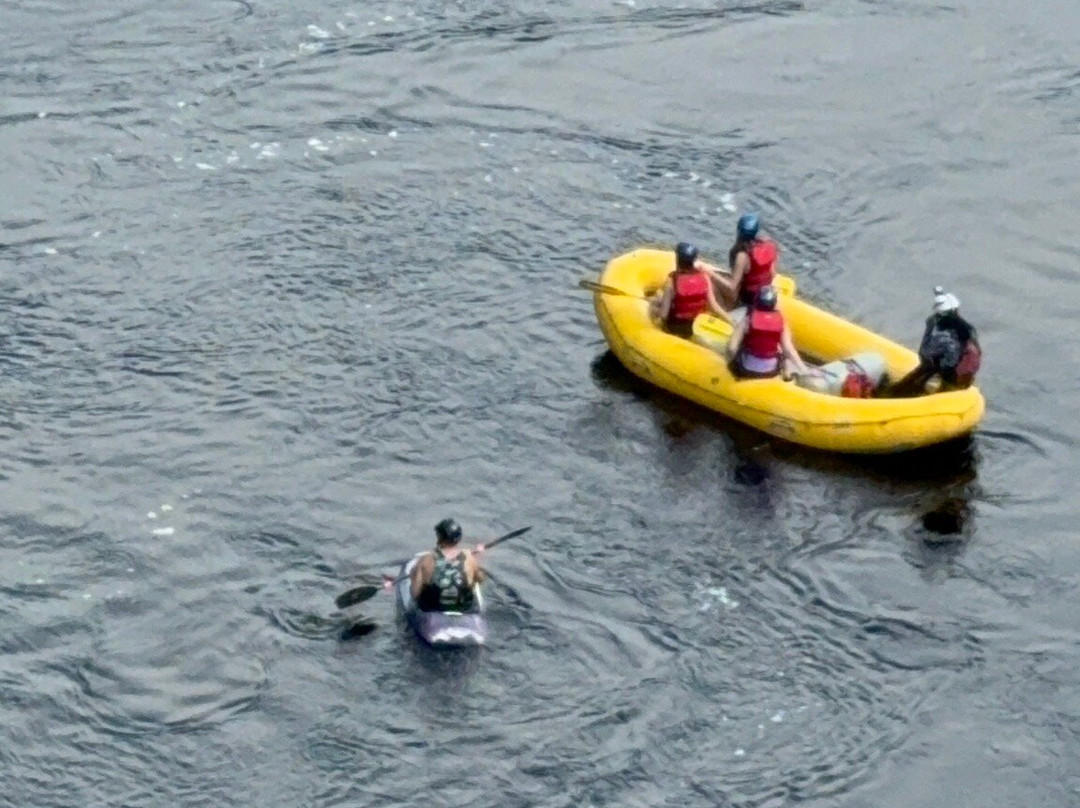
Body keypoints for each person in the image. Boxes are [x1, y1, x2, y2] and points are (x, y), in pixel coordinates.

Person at [885, 286, 981, 397]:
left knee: (923, 376)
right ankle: (901, 391)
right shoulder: (966, 329)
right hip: (951, 367)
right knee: (922, 375)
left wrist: (937, 365)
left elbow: (941, 354)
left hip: (950, 370)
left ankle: (898, 393)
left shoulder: (942, 329)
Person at [726, 285, 810, 379]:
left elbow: (732, 348)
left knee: (731, 346)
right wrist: (804, 369)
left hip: (747, 369)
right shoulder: (781, 322)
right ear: (774, 304)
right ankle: (786, 377)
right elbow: (788, 349)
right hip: (771, 372)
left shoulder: (748, 319)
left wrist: (734, 360)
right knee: (784, 355)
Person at [651, 241, 728, 338]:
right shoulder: (704, 276)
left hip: (676, 327)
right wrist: (731, 321)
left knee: (654, 304)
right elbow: (714, 306)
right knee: (659, 299)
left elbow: (663, 315)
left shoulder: (672, 281)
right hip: (696, 325)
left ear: (677, 259)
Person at [410, 518, 485, 612]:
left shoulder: (425, 560)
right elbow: (480, 579)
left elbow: (414, 593)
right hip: (464, 609)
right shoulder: (469, 558)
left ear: (439, 537)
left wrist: (413, 574)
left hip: (433, 610)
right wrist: (479, 556)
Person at [710, 213, 779, 310]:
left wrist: (709, 273)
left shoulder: (742, 256)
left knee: (710, 280)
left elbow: (732, 287)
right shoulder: (769, 245)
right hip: (763, 293)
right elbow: (773, 273)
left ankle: (724, 310)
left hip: (748, 299)